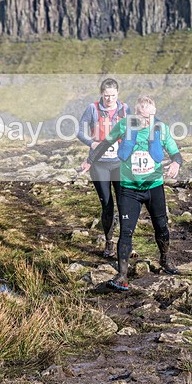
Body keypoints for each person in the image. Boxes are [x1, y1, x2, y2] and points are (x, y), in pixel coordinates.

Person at [81, 95, 183, 291]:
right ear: (136, 114)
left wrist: (177, 163)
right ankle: (122, 276)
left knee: (161, 227)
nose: (149, 120)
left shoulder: (160, 128)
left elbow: (174, 151)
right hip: (129, 189)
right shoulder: (124, 126)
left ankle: (165, 259)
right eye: (145, 117)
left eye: (152, 116)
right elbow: (105, 144)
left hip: (154, 187)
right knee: (126, 231)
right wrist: (90, 161)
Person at [77, 78, 130, 257]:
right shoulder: (92, 109)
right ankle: (109, 242)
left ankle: (126, 242)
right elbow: (80, 132)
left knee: (125, 204)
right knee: (107, 204)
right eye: (106, 96)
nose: (109, 99)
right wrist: (91, 143)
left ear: (118, 94)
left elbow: (134, 131)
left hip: (120, 163)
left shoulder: (124, 109)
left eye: (113, 96)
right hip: (99, 164)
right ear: (101, 93)